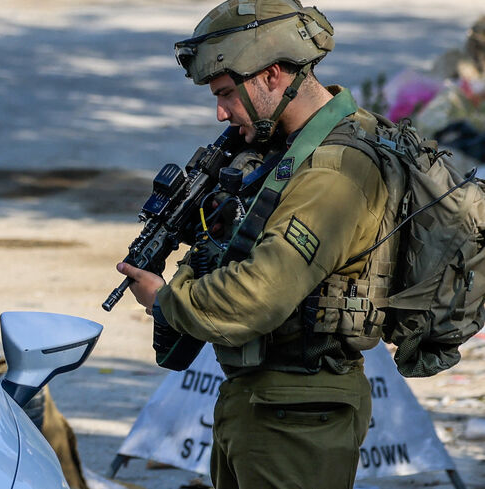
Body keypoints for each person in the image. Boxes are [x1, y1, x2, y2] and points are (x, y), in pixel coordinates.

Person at [116, 1, 387, 488]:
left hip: (298, 417)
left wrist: (166, 299)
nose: (220, 112)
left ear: (272, 75)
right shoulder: (288, 147)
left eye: (225, 94)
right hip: (267, 405)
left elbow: (258, 295)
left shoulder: (332, 172)